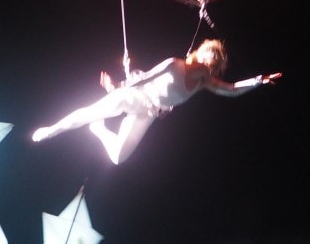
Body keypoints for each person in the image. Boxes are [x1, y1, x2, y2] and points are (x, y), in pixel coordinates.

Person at [32, 39, 281, 165]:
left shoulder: (205, 83)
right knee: (90, 112)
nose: (209, 68)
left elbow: (233, 90)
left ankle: (98, 130)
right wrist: (116, 87)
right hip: (134, 96)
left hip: (148, 112)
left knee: (118, 158)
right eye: (208, 61)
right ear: (200, 56)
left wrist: (258, 80)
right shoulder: (175, 64)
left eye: (213, 67)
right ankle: (52, 129)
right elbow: (145, 79)